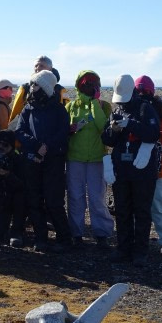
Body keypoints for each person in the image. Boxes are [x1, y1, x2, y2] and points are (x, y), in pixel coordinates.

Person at [103, 74, 161, 264]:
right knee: (122, 210)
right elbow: (107, 139)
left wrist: (130, 124)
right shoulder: (117, 110)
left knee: (142, 211)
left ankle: (140, 251)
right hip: (122, 167)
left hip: (143, 170)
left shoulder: (146, 108)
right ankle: (123, 248)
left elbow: (153, 134)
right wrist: (114, 130)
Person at [14, 69, 74, 252]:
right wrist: (36, 145)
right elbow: (19, 130)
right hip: (32, 160)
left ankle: (64, 238)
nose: (32, 88)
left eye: (36, 84)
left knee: (54, 201)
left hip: (53, 162)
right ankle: (41, 238)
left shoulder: (59, 110)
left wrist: (46, 147)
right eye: (32, 84)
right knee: (35, 199)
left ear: (46, 87)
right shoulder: (28, 107)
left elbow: (63, 134)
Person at [66, 70, 113, 247]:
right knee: (75, 196)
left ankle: (102, 233)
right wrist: (70, 129)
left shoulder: (104, 106)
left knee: (97, 197)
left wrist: (95, 103)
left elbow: (104, 127)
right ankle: (76, 232)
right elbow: (64, 129)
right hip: (75, 157)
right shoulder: (71, 106)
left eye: (94, 84)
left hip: (97, 158)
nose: (91, 87)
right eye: (87, 84)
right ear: (79, 86)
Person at [136, 76, 162, 254]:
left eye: (145, 91)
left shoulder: (161, 110)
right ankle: (139, 238)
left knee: (159, 204)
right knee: (140, 203)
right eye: (139, 91)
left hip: (159, 165)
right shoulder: (132, 108)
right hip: (139, 164)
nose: (142, 94)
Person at [8, 55, 66, 123]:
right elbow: (15, 111)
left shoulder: (60, 90)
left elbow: (66, 111)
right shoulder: (25, 88)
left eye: (41, 66)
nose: (38, 68)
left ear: (50, 68)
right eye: (36, 66)